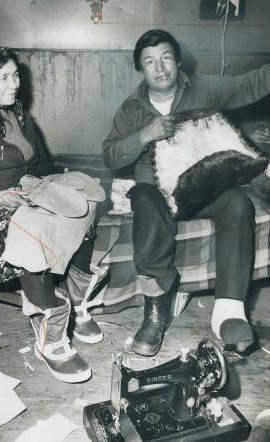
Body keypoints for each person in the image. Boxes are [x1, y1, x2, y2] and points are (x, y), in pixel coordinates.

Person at [0, 45, 106, 384]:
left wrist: (50, 183)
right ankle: (50, 336)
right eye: (3, 77)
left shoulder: (18, 115)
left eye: (16, 75)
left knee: (86, 201)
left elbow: (42, 164)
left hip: (24, 194)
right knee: (35, 228)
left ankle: (77, 302)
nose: (14, 84)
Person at [102, 29, 270, 357]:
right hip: (156, 192)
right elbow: (109, 156)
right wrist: (144, 135)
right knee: (146, 202)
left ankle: (230, 313)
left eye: (166, 57)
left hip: (201, 188)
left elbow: (250, 84)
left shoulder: (203, 87)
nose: (159, 67)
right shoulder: (132, 109)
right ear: (140, 69)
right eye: (149, 61)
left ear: (178, 61)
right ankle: (155, 313)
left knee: (237, 200)